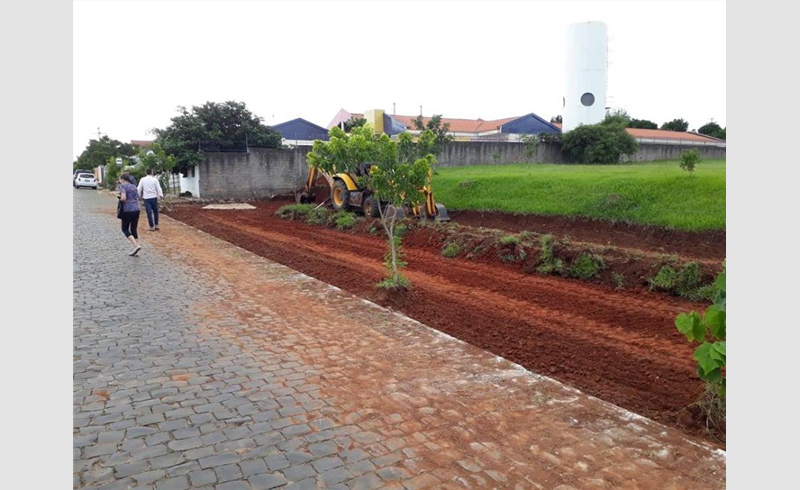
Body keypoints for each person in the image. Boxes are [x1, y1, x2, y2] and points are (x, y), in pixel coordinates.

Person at [118, 174, 142, 256]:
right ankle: (135, 248)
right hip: (136, 208)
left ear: (122, 179)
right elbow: (138, 197)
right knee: (133, 228)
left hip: (127, 209)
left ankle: (136, 245)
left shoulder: (122, 186)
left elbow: (123, 198)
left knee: (124, 228)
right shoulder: (134, 186)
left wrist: (119, 197)